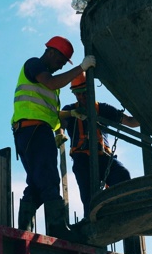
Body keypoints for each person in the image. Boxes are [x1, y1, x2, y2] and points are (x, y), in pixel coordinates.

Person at [11, 36, 95, 237]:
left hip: (31, 131)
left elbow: (49, 114)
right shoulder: (35, 65)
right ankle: (58, 229)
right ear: (51, 52)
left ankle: (24, 229)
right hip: (34, 131)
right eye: (61, 61)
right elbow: (51, 83)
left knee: (36, 183)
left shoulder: (46, 79)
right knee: (49, 179)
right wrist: (80, 68)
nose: (60, 66)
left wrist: (70, 116)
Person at [60, 72, 140, 222]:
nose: (82, 97)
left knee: (122, 176)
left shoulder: (103, 109)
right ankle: (91, 223)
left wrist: (145, 115)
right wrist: (61, 130)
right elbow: (60, 122)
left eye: (84, 92)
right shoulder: (70, 110)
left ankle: (122, 212)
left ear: (91, 90)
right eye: (78, 94)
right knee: (89, 196)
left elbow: (130, 121)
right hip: (82, 159)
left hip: (104, 157)